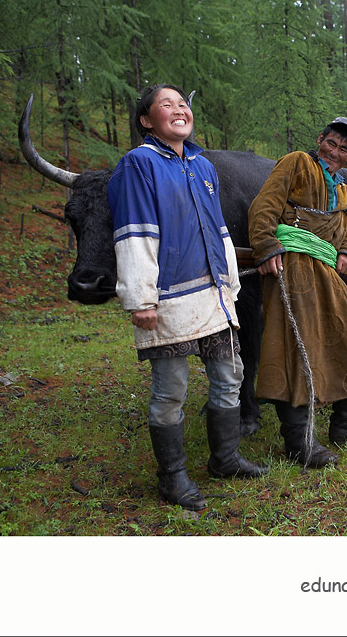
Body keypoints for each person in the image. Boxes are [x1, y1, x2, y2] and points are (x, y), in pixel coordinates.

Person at [107, 83, 267, 511]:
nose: (179, 109)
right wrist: (140, 298)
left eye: (183, 104)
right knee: (171, 389)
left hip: (213, 295)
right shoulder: (137, 165)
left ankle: (225, 458)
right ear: (146, 121)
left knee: (230, 375)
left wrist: (229, 284)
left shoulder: (202, 166)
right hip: (167, 298)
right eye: (166, 104)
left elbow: (219, 232)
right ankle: (172, 478)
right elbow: (134, 233)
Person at [248, 117, 347, 468]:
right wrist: (266, 246)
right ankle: (299, 442)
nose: (336, 152)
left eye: (344, 149)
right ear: (320, 140)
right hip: (292, 266)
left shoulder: (344, 192)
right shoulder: (296, 162)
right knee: (297, 350)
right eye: (332, 143)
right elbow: (264, 207)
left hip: (326, 271)